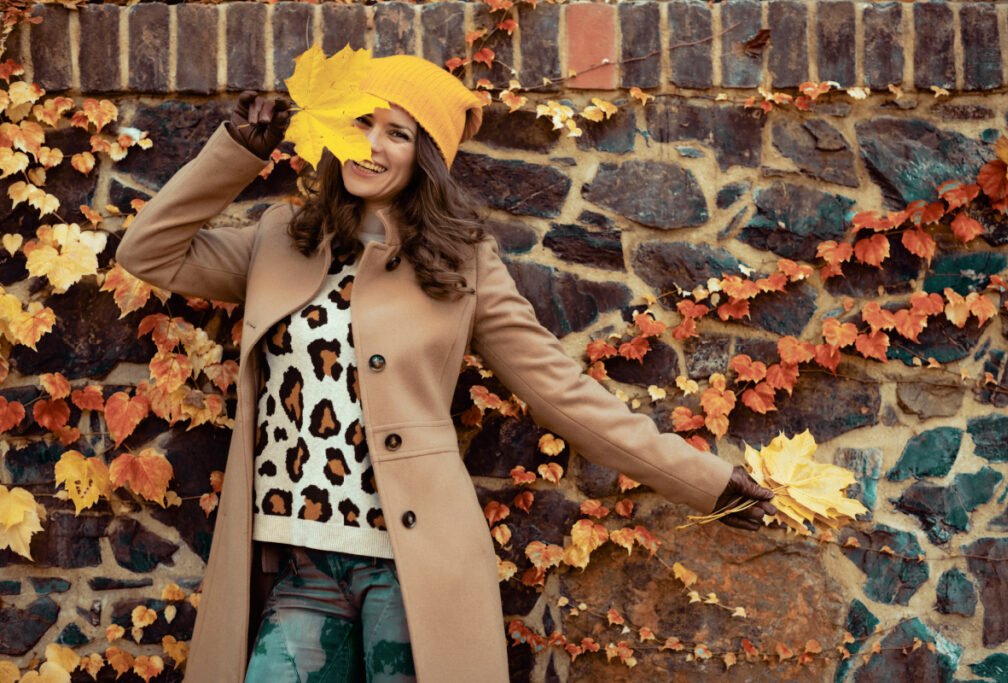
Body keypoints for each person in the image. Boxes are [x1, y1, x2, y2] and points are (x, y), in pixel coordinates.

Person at [115, 54, 776, 683]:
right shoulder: (279, 240)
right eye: (361, 122)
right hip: (301, 564)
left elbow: (559, 390)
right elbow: (150, 251)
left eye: (396, 133)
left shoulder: (462, 261)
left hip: (409, 569)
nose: (371, 145)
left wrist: (704, 480)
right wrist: (238, 150)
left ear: (425, 154)